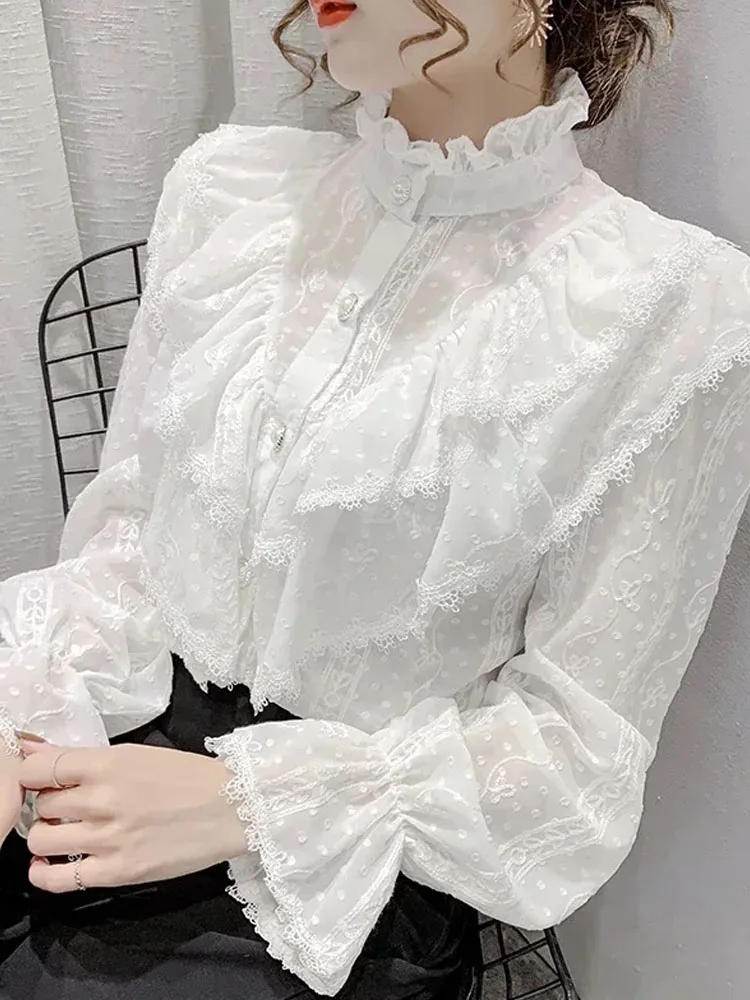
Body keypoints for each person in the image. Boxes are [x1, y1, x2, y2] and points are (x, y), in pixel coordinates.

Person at [1, 0, 749, 997]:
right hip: (106, 742)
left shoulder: (673, 309)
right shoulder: (228, 193)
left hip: (355, 861)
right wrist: (19, 704)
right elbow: (134, 540)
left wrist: (245, 800)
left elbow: (574, 753)